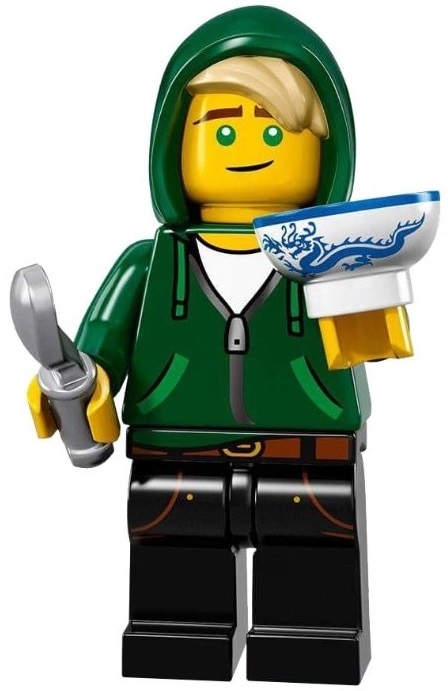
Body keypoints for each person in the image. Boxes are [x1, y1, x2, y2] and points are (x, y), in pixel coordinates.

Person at [28, 5, 416, 684]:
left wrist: (363, 282)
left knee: (311, 571)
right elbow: (100, 345)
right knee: (177, 577)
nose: (248, 146)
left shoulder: (329, 253)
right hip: (176, 448)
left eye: (276, 130)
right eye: (224, 128)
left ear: (327, 153)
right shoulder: (150, 262)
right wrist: (82, 380)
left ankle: (310, 639)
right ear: (174, 145)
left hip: (306, 447)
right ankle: (181, 637)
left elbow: (369, 343)